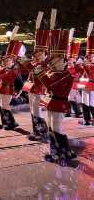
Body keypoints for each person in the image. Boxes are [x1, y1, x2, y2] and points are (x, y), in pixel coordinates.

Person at [35, 29, 76, 166]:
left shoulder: (66, 75)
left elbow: (52, 86)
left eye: (55, 59)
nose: (52, 62)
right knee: (52, 129)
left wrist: (41, 74)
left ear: (63, 61)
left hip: (59, 103)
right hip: (52, 102)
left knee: (57, 129)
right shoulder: (56, 73)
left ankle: (60, 153)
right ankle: (61, 152)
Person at [22, 28, 49, 142]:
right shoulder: (37, 63)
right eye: (36, 53)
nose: (36, 55)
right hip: (32, 89)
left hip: (40, 91)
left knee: (38, 112)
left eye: (38, 53)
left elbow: (44, 78)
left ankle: (42, 132)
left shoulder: (47, 64)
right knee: (33, 111)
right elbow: (28, 71)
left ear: (44, 53)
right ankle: (37, 131)